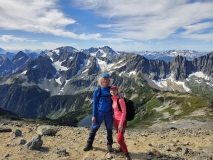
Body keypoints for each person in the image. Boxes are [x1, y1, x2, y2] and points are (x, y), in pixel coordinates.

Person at [83, 73, 113, 152]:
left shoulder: (111, 90)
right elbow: (95, 104)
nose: (105, 80)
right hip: (99, 113)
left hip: (109, 114)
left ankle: (109, 145)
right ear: (101, 80)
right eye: (104, 79)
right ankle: (89, 144)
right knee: (94, 129)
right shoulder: (97, 90)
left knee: (109, 130)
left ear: (109, 81)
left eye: (107, 79)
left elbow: (116, 98)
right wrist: (93, 115)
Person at [110, 85, 132, 160]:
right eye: (112, 90)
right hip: (115, 120)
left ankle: (127, 154)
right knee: (120, 136)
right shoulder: (113, 98)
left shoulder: (120, 100)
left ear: (117, 91)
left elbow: (124, 112)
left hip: (121, 121)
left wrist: (121, 123)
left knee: (119, 139)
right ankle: (121, 148)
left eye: (114, 90)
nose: (113, 91)